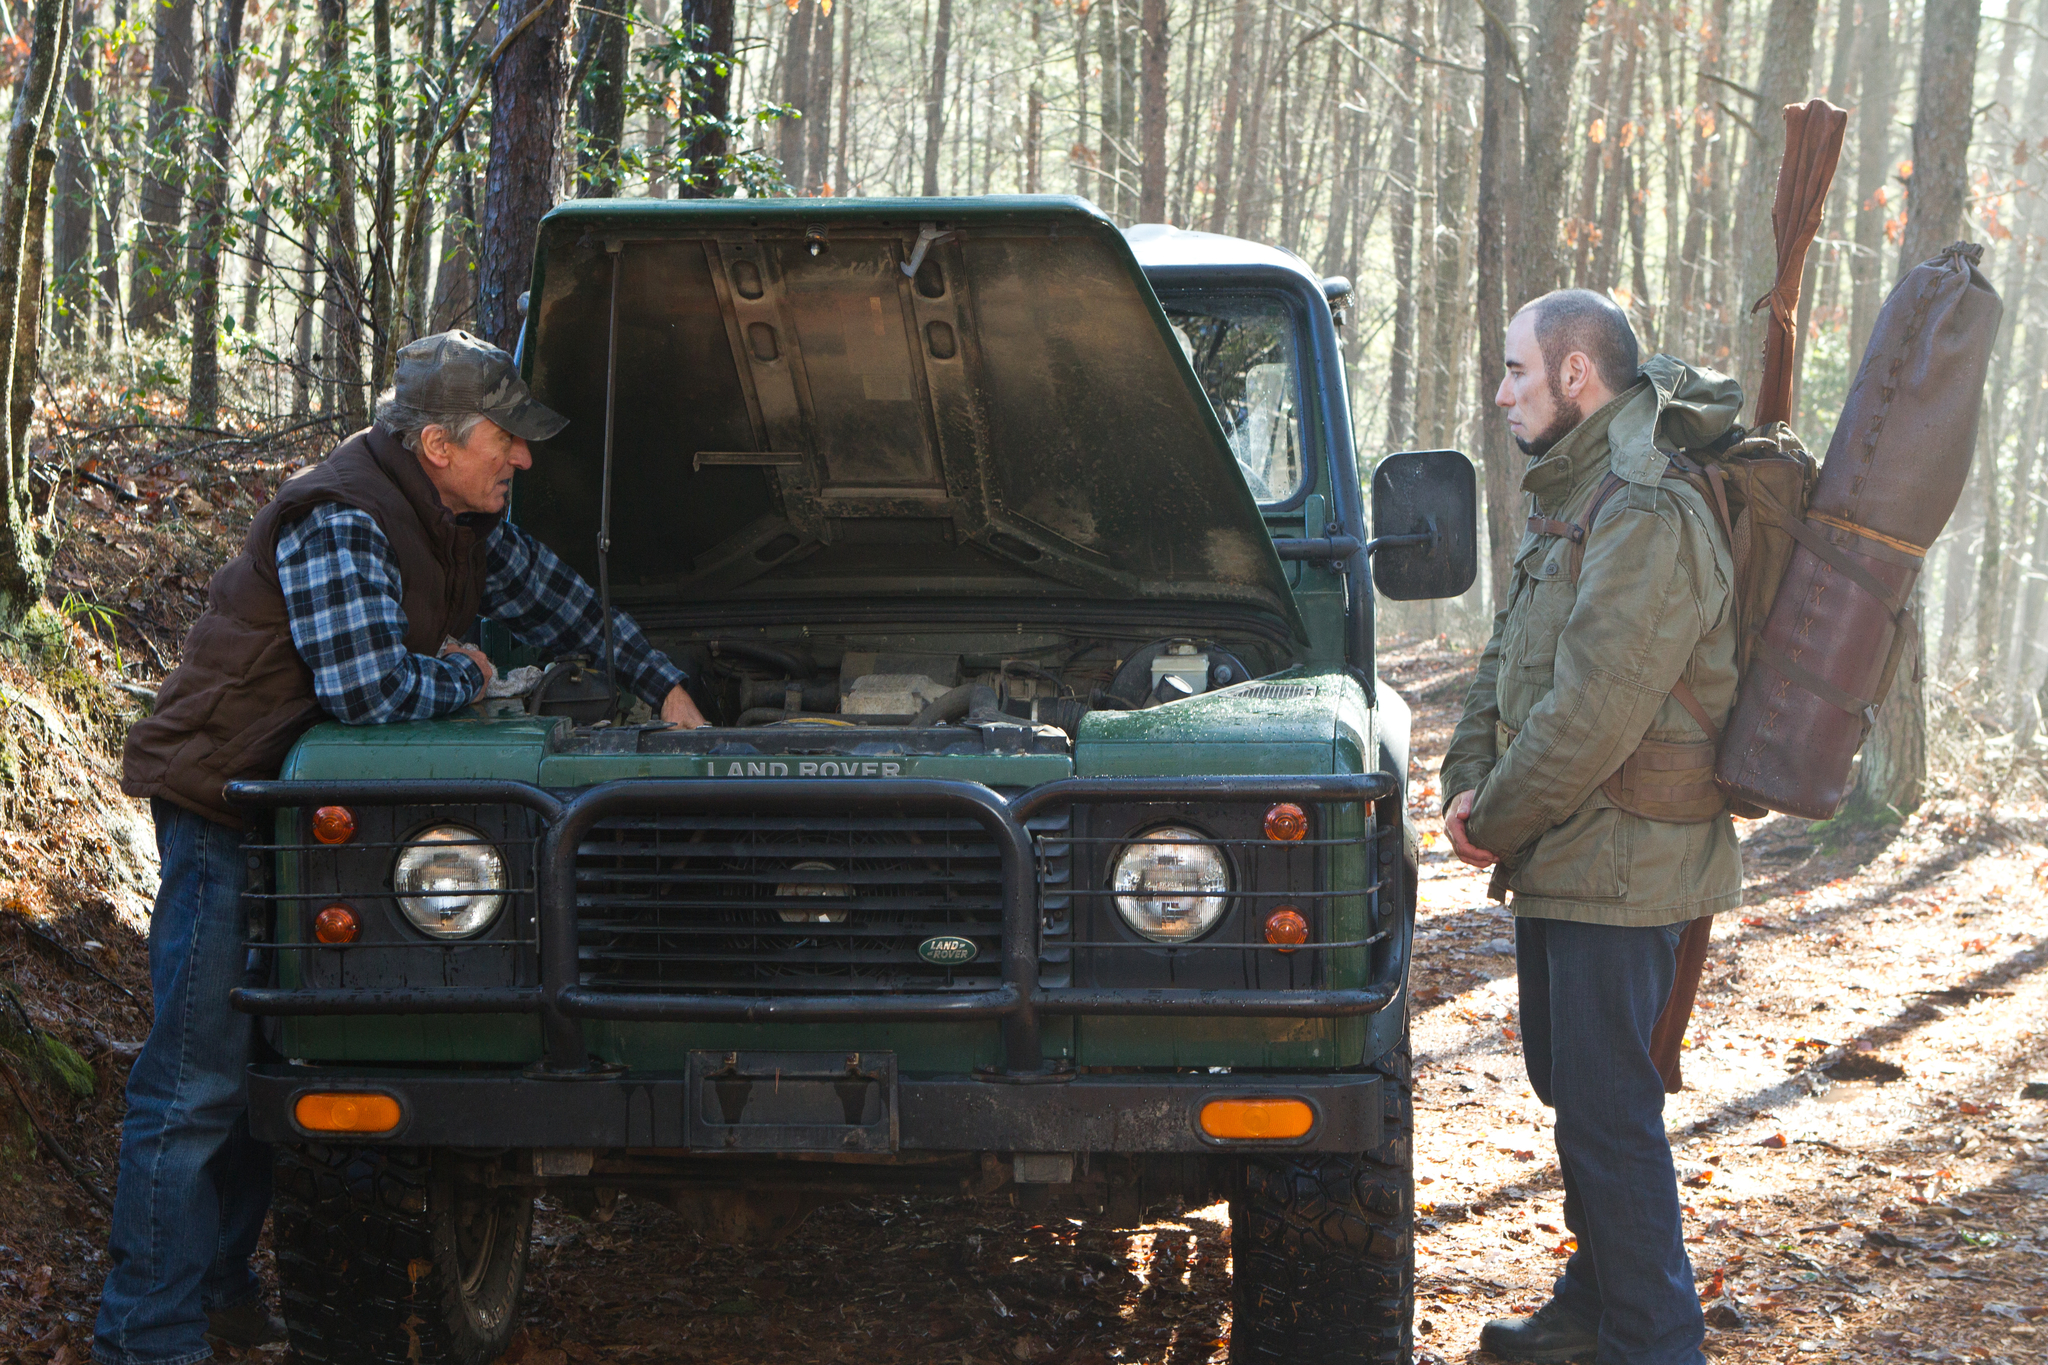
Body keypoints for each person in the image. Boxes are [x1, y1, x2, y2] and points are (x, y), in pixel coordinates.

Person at [97, 330, 705, 1365]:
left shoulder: (458, 516)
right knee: (197, 1082)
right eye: (505, 442)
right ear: (435, 442)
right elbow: (368, 691)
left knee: (264, 1064)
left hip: (306, 824)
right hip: (227, 816)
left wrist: (666, 688)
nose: (520, 461)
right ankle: (144, 1340)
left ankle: (220, 1292)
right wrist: (469, 677)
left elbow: (565, 605)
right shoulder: (343, 517)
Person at [1441, 291, 1742, 1365]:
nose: (1501, 391)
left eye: (1516, 370)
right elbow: (1505, 662)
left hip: (1624, 856)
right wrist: (1464, 780)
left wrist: (1497, 818)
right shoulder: (1574, 495)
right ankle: (1592, 1308)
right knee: (1573, 1090)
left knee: (1608, 1112)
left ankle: (1655, 1342)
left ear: (1575, 375)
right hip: (1566, 848)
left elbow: (1593, 708)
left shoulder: (1645, 514)